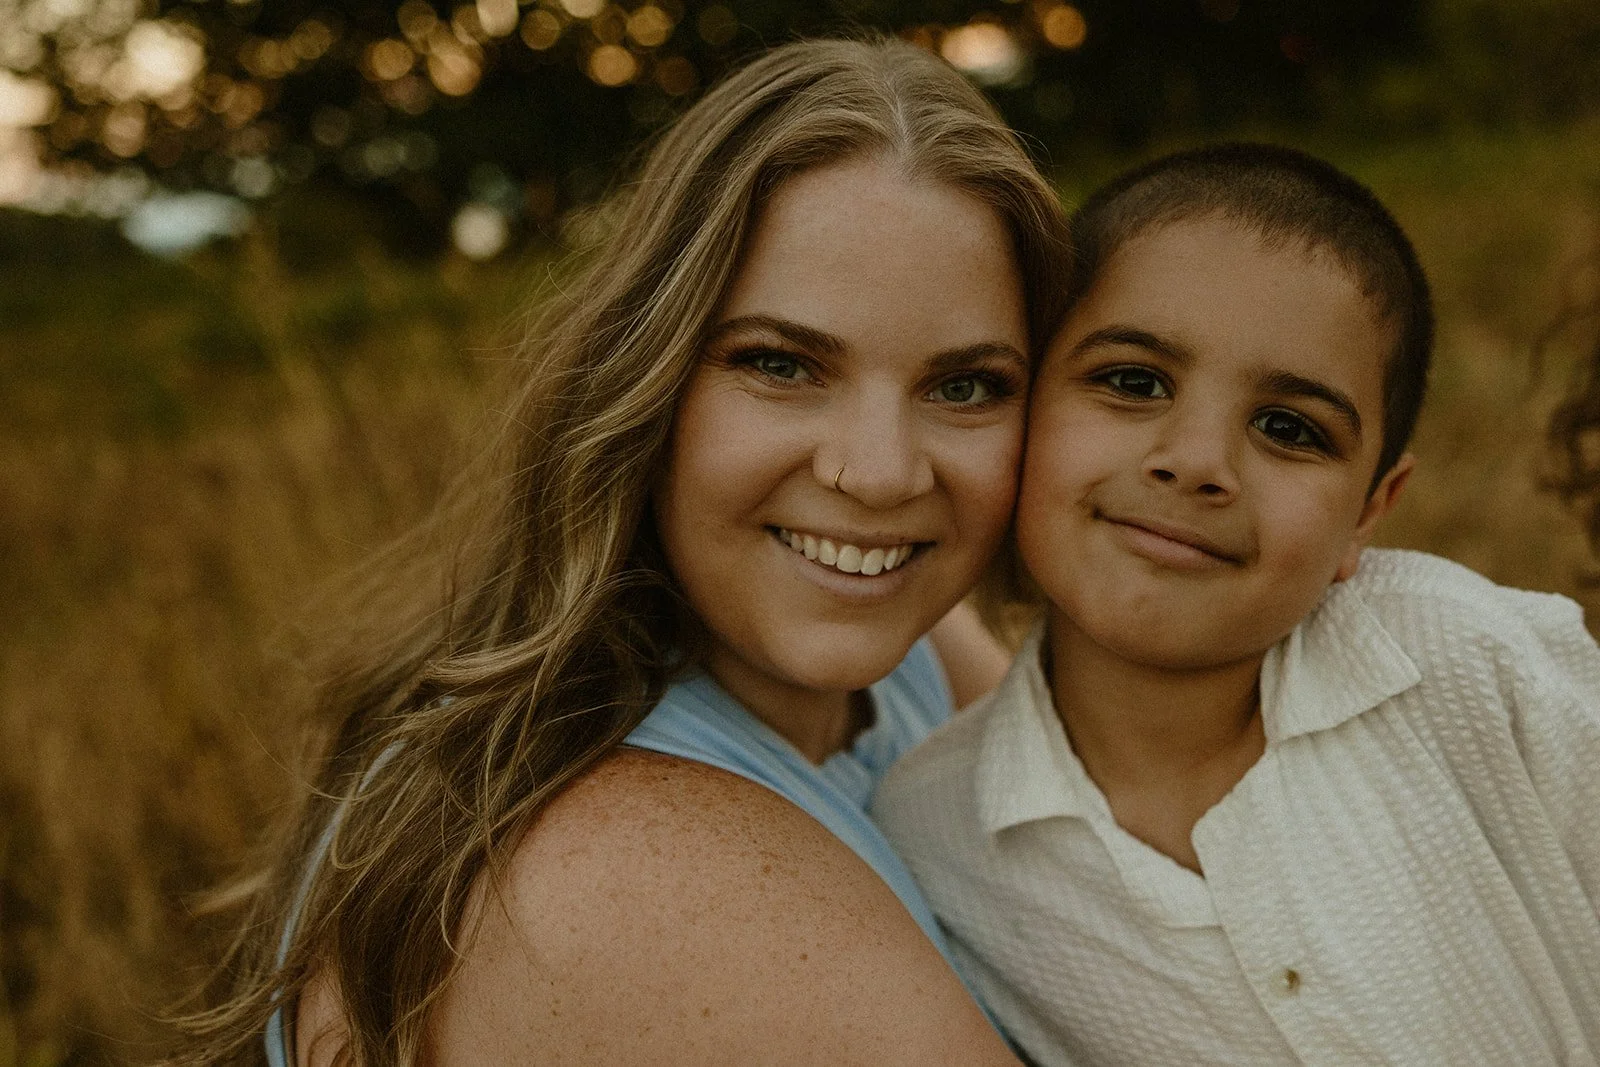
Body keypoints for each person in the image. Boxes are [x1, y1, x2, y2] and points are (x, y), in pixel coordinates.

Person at [175, 37, 1074, 1066]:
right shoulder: (648, 873)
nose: (879, 476)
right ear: (644, 381)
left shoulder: (904, 661)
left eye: (965, 386)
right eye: (780, 363)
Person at [873, 144, 1600, 1064]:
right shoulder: (931, 843)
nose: (1197, 460)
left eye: (1289, 428)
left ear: (1368, 513)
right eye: (1133, 381)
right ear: (1023, 407)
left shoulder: (1472, 662)